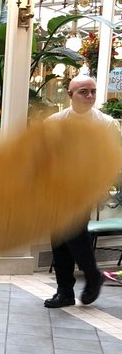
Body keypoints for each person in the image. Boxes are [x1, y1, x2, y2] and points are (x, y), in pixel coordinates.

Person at [44, 76, 119, 309]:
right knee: (59, 239)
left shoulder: (106, 123)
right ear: (69, 95)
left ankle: (92, 275)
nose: (89, 96)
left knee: (74, 233)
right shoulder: (54, 122)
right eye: (83, 92)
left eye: (93, 92)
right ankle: (65, 291)